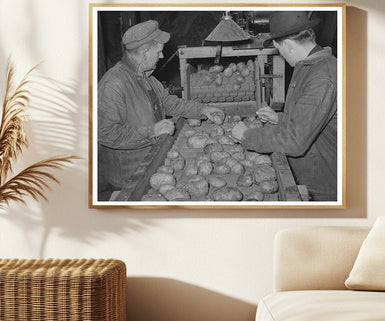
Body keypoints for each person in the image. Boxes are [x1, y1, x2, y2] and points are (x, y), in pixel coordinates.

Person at [98, 20, 224, 195]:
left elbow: (169, 103)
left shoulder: (145, 77)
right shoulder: (114, 84)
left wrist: (202, 109)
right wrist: (151, 131)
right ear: (144, 51)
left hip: (151, 162)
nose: (162, 56)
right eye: (158, 52)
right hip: (128, 176)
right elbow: (104, 133)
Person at [231, 11, 338, 201]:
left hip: (322, 183)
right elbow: (312, 118)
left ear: (288, 45)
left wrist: (247, 135)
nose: (281, 55)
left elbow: (294, 141)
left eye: (279, 50)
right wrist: (280, 118)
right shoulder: (311, 66)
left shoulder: (322, 76)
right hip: (311, 168)